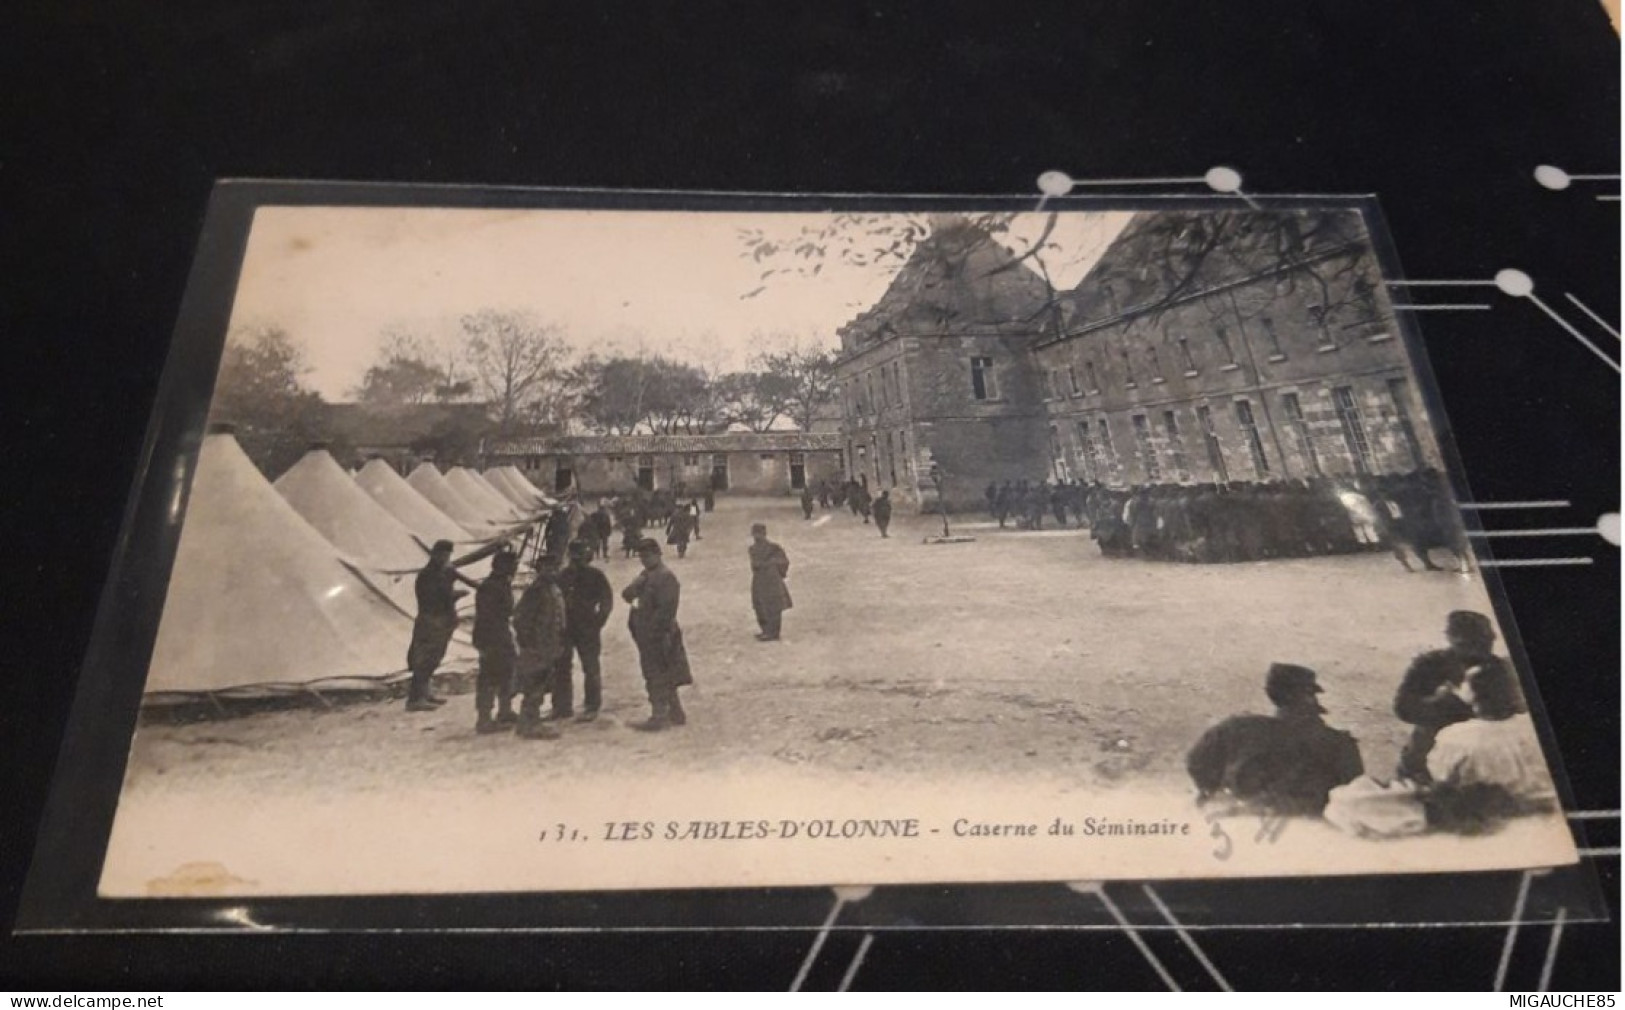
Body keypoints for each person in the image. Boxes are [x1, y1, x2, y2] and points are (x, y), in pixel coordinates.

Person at [1186, 663, 1365, 817]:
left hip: (1241, 818)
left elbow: (1196, 762)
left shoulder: (1236, 728)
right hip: (1308, 827)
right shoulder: (1338, 743)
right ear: (1309, 698)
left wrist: (1214, 790)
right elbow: (1353, 792)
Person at [1393, 610, 1516, 783]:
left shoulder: (1500, 669)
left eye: (1486, 642)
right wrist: (1448, 702)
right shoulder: (1430, 665)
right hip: (1429, 756)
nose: (1481, 649)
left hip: (1485, 755)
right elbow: (1403, 708)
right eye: (1470, 644)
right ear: (1451, 639)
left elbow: (1513, 711)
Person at [622, 538, 692, 731]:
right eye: (642, 557)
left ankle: (658, 716)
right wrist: (638, 584)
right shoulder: (646, 575)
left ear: (658, 555)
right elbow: (626, 595)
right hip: (647, 633)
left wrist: (654, 632)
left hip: (661, 634)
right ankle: (676, 712)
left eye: (647, 556)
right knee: (664, 673)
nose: (644, 560)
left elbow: (667, 610)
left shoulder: (666, 577)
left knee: (655, 674)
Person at [554, 538, 614, 722]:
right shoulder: (562, 577)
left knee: (590, 666)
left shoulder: (595, 576)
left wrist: (598, 621)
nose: (576, 561)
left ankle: (592, 705)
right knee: (562, 667)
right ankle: (562, 707)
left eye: (580, 557)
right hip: (566, 628)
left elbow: (606, 601)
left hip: (588, 627)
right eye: (574, 557)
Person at [405, 540, 467, 712]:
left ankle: (425, 694)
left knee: (434, 658)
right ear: (434, 554)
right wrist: (455, 595)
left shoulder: (443, 572)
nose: (445, 558)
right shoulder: (428, 575)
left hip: (442, 620)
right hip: (431, 620)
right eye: (442, 555)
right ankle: (415, 699)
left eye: (447, 555)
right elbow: (434, 598)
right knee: (424, 660)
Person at [512, 553, 567, 740]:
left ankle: (527, 722)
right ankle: (530, 724)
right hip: (537, 646)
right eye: (547, 568)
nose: (552, 571)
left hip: (549, 644)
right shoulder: (536, 591)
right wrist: (529, 642)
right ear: (539, 570)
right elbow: (520, 618)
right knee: (534, 683)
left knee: (541, 682)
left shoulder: (552, 588)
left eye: (554, 568)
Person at [472, 548, 520, 732]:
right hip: (490, 635)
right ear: (502, 566)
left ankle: (504, 711)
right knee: (490, 676)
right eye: (512, 565)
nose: (515, 569)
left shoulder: (501, 583)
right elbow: (491, 614)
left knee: (506, 671)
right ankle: (484, 719)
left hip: (499, 632)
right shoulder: (492, 586)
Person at [748, 522, 792, 641]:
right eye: (755, 534)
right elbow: (754, 565)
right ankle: (766, 630)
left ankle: (773, 632)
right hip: (761, 580)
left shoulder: (773, 548)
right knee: (760, 605)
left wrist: (776, 569)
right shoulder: (753, 549)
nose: (757, 537)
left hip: (771, 580)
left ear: (764, 534)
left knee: (773, 605)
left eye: (759, 534)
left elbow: (784, 562)